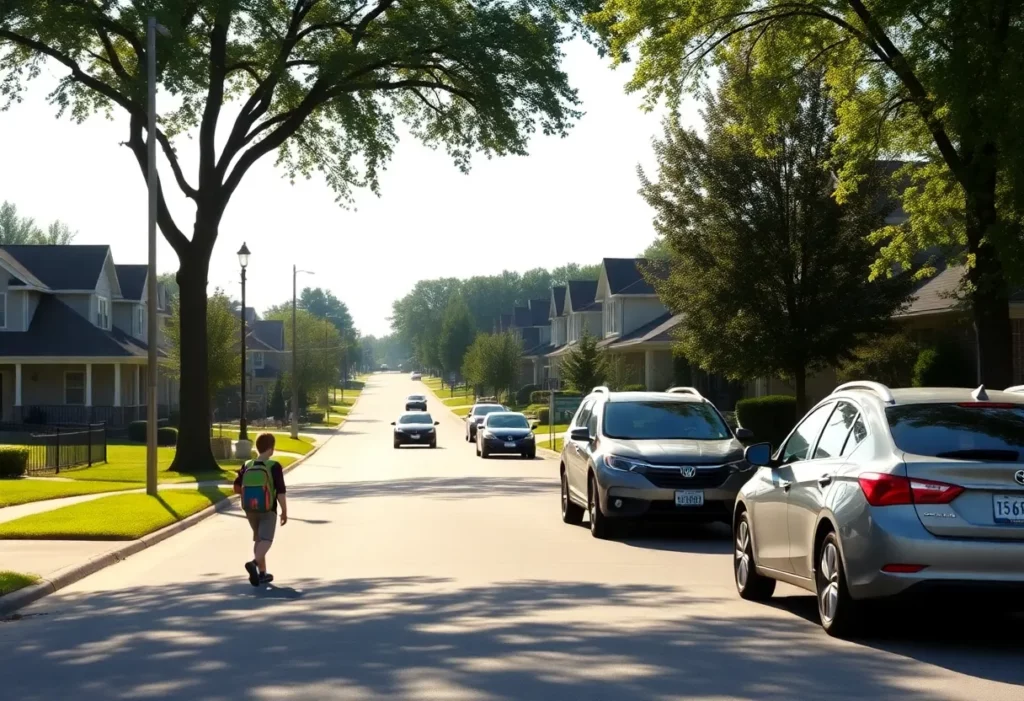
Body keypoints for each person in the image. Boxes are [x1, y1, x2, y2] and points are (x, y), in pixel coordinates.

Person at [233, 433, 288, 586]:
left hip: (250, 508)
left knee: (259, 539)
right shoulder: (273, 466)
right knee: (266, 540)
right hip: (268, 508)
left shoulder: (247, 465)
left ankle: (262, 574)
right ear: (271, 449)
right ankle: (254, 563)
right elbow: (280, 491)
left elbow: (236, 488)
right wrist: (284, 511)